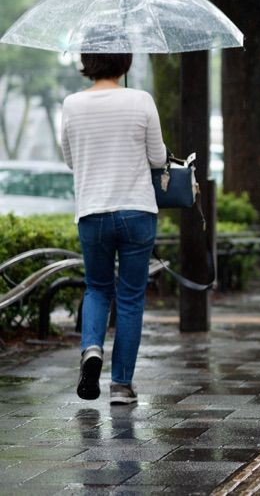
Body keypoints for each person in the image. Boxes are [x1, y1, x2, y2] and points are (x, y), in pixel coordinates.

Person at [62, 52, 167, 405]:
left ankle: (92, 347)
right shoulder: (141, 100)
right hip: (137, 209)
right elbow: (157, 158)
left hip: (92, 210)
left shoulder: (72, 104)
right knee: (130, 297)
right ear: (125, 62)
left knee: (97, 289)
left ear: (87, 62)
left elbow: (70, 158)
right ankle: (121, 385)